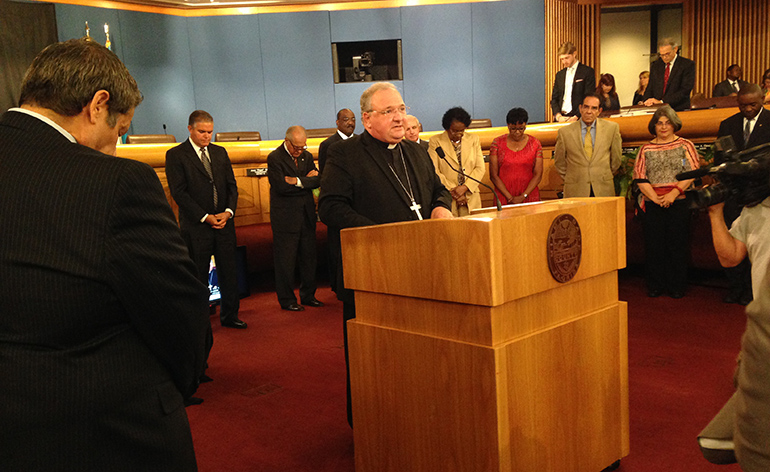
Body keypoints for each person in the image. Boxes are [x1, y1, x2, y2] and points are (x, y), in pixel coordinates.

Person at [0, 39, 208, 470]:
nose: (115, 144)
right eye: (119, 129)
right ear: (98, 105)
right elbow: (178, 312)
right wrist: (182, 384)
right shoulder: (117, 183)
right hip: (104, 430)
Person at [318, 82, 453, 427]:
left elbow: (439, 190)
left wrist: (440, 207)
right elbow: (331, 208)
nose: (399, 117)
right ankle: (368, 427)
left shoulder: (416, 152)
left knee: (418, 357)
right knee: (373, 360)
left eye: (401, 109)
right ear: (367, 119)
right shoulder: (345, 155)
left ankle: (420, 419)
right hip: (371, 275)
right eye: (389, 111)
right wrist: (382, 237)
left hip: (423, 270)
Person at [166, 111, 247, 330]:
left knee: (229, 273)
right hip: (197, 226)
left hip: (223, 223)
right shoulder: (176, 155)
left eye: (210, 132)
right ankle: (199, 320)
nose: (207, 136)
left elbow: (231, 186)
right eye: (202, 132)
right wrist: (205, 217)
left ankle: (230, 315)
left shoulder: (219, 152)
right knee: (199, 276)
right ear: (190, 129)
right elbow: (179, 192)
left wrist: (228, 212)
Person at [632, 105, 700, 298]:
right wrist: (654, 198)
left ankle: (677, 286)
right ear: (653, 126)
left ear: (674, 124)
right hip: (653, 203)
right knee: (654, 246)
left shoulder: (685, 145)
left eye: (667, 123)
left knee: (677, 245)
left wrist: (673, 194)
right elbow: (640, 176)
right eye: (659, 123)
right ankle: (655, 285)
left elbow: (692, 172)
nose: (663, 127)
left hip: (678, 202)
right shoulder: (646, 148)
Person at [715, 84, 770, 305]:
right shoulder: (727, 124)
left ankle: (751, 289)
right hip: (734, 195)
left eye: (752, 105)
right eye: (743, 105)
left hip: (762, 197)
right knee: (733, 239)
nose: (747, 109)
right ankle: (735, 286)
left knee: (756, 244)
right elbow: (720, 159)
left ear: (763, 99)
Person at [267, 126, 323, 311]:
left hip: (306, 215)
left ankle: (308, 295)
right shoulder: (275, 158)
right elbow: (281, 187)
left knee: (309, 258)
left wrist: (296, 181)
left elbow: (318, 180)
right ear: (287, 141)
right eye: (296, 147)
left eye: (303, 147)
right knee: (286, 261)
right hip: (285, 218)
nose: (300, 151)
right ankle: (287, 299)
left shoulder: (306, 157)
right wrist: (305, 181)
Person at [553, 94, 622, 197]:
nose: (589, 111)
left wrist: (601, 174)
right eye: (586, 107)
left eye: (594, 108)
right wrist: (574, 178)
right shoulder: (565, 132)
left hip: (603, 188)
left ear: (599, 111)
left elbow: (616, 159)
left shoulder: (611, 129)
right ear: (580, 108)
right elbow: (559, 162)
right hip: (576, 189)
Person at [427, 107, 486, 216]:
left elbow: (480, 168)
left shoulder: (474, 139)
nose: (458, 134)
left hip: (471, 195)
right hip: (447, 196)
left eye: (462, 130)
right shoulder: (435, 141)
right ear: (447, 127)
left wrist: (465, 188)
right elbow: (434, 171)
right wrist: (455, 192)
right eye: (454, 130)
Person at [489, 107, 543, 204]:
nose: (517, 132)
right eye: (513, 129)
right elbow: (493, 175)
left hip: (528, 194)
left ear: (525, 126)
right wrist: (509, 197)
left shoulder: (535, 143)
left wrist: (524, 196)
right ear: (508, 126)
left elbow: (538, 175)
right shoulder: (497, 143)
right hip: (504, 194)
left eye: (521, 128)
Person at [643, 38, 696, 111]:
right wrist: (647, 100)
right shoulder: (656, 65)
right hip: (657, 110)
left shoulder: (687, 64)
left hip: (678, 108)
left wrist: (662, 102)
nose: (665, 57)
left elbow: (685, 90)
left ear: (675, 49)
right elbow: (650, 87)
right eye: (662, 55)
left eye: (667, 54)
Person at [550, 41, 597, 122]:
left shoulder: (587, 72)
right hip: (561, 117)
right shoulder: (560, 75)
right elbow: (554, 98)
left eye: (567, 58)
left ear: (574, 54)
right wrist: (558, 115)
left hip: (579, 118)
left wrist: (577, 116)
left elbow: (589, 98)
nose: (564, 62)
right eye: (562, 59)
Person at [318, 108, 356, 173]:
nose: (350, 123)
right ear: (337, 122)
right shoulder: (328, 145)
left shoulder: (362, 141)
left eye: (353, 119)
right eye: (346, 119)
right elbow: (324, 173)